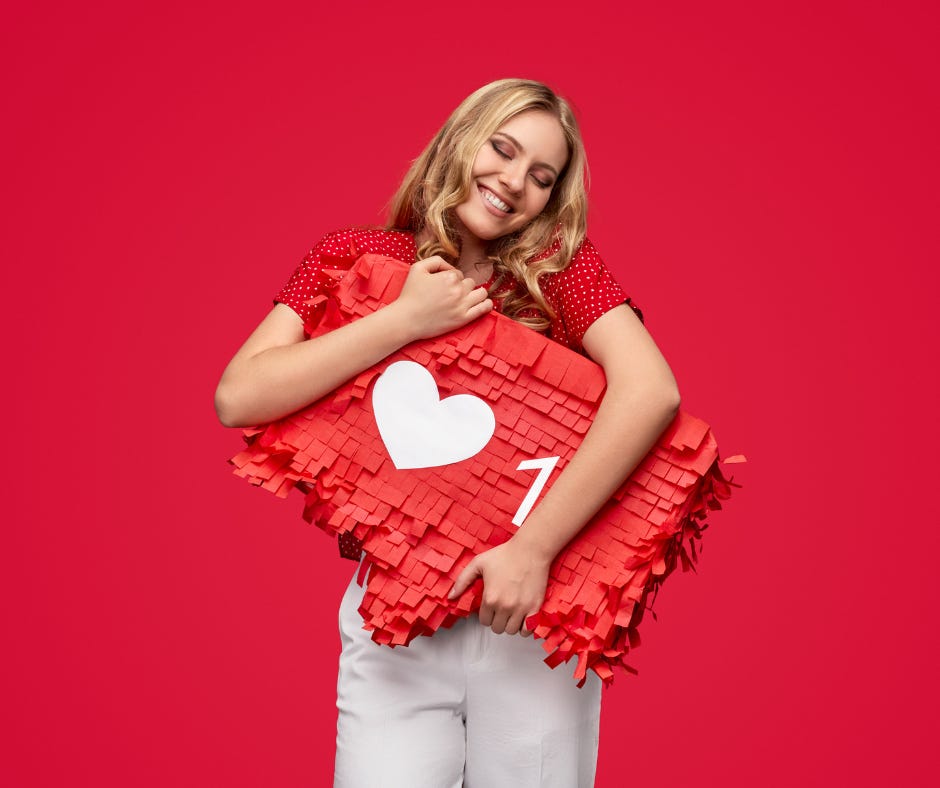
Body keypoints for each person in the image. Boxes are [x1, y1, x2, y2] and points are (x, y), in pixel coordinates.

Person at [215, 79, 680, 787]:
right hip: (394, 615)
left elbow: (652, 392)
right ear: (460, 139)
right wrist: (406, 320)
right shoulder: (353, 254)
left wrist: (532, 551)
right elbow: (239, 395)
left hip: (529, 617)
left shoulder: (559, 272)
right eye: (502, 149)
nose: (513, 182)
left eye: (541, 177)